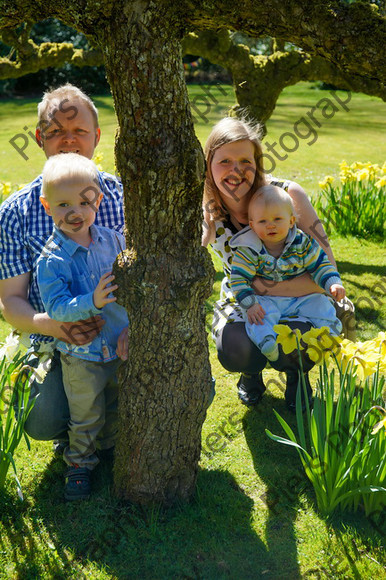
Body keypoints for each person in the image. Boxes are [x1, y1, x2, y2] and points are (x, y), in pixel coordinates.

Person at [0, 84, 125, 446]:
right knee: (40, 419)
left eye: (79, 132)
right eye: (56, 132)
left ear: (97, 137)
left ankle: (102, 430)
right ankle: (76, 424)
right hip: (55, 338)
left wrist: (140, 326)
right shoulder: (16, 211)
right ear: (40, 138)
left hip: (120, 332)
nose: (68, 141)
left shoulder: (122, 197)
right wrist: (55, 326)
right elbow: (10, 300)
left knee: (188, 380)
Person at [202, 116, 354, 412]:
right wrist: (205, 235)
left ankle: (297, 376)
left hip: (301, 297)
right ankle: (251, 372)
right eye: (225, 161)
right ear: (209, 163)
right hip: (243, 300)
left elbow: (326, 269)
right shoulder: (206, 210)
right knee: (235, 345)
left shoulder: (288, 197)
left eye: (246, 160)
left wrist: (264, 287)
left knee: (304, 335)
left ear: (258, 163)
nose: (236, 171)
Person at [36, 153, 128, 500]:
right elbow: (57, 308)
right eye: (62, 205)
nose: (75, 212)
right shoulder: (51, 259)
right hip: (81, 355)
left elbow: (131, 289)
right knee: (85, 412)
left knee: (117, 401)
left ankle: (108, 448)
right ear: (47, 206)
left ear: (98, 201)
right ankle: (79, 463)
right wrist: (93, 301)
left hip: (118, 343)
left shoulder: (113, 241)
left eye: (84, 202)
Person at [229, 184, 345, 362]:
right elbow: (238, 279)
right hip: (266, 299)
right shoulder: (248, 249)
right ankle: (266, 340)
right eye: (262, 221)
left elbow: (320, 264)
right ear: (252, 225)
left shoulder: (302, 243)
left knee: (320, 303)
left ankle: (329, 331)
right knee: (257, 315)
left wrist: (333, 283)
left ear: (291, 221)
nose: (270, 226)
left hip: (300, 297)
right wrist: (249, 304)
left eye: (277, 219)